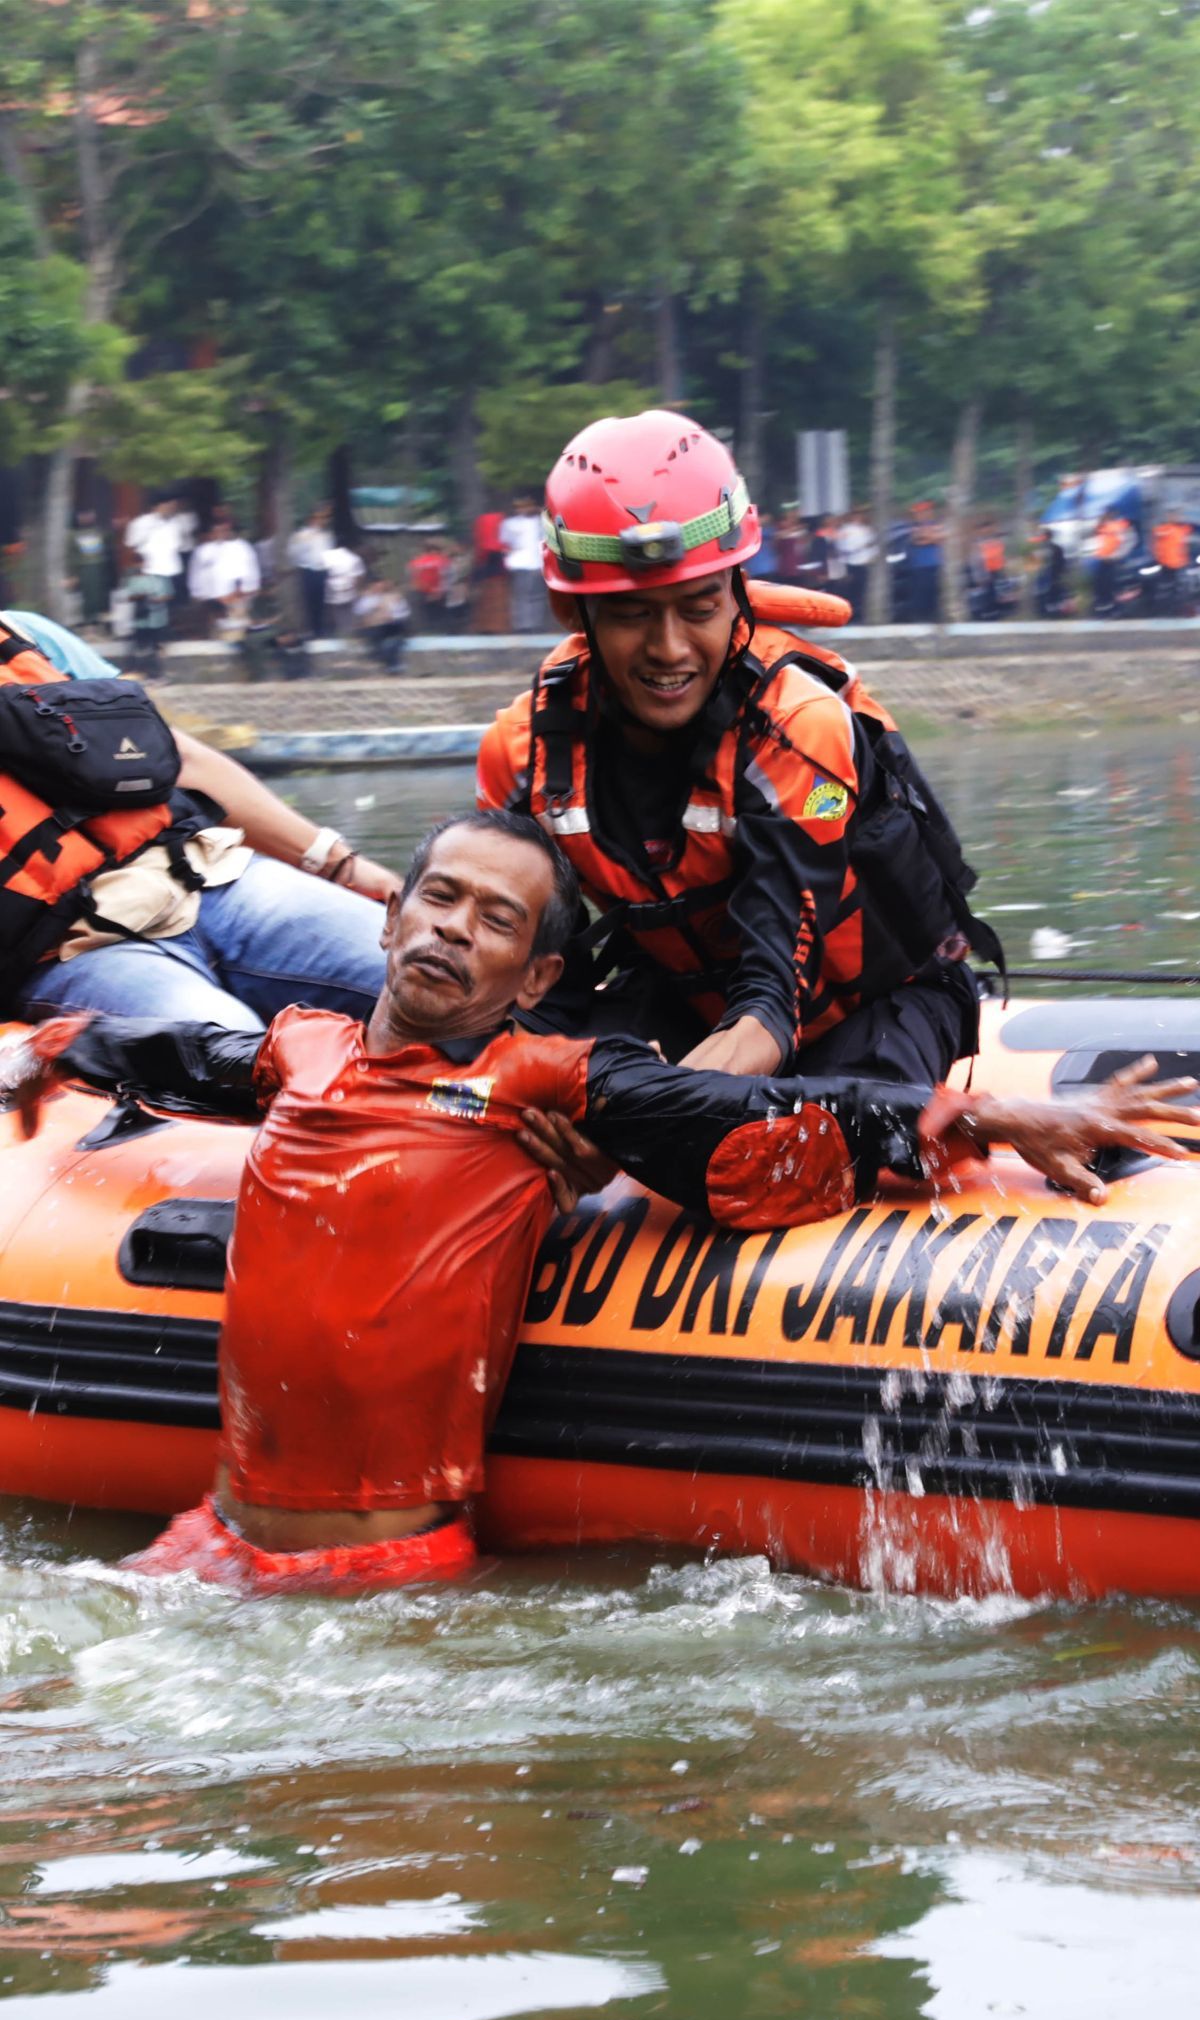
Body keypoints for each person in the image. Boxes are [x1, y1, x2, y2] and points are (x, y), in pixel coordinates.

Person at [8, 810, 1191, 1595]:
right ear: (389, 917)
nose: (453, 929)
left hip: (379, 1581)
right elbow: (171, 1059)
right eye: (440, 897)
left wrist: (988, 1118)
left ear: (533, 982)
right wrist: (54, 1048)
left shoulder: (547, 1081)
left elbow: (776, 1112)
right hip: (210, 1543)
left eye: (497, 922)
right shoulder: (300, 1051)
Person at [477, 409, 999, 1091]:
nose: (669, 648)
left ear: (735, 595)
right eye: (634, 613)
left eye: (698, 607)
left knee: (798, 1158)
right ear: (574, 613)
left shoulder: (799, 728)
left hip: (870, 1005)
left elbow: (771, 1000)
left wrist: (642, 1110)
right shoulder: (520, 756)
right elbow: (542, 989)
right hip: (689, 1002)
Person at [0, 612, 397, 1032]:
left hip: (209, 876)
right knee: (235, 1047)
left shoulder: (22, 635)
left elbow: (180, 760)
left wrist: (342, 865)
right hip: (76, 951)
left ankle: (457, 1099)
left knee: (450, 979)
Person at [187, 512, 262, 635]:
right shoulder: (203, 550)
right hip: (210, 595)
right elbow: (195, 572)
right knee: (216, 626)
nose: (221, 533)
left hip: (236, 594)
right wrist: (196, 592)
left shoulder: (242, 547)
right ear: (212, 532)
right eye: (217, 530)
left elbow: (250, 570)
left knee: (236, 626)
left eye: (224, 530)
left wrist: (244, 590)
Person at [500, 496, 549, 632]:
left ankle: (535, 623)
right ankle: (521, 624)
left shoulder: (541, 522)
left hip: (538, 563)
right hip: (519, 562)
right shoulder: (510, 523)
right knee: (520, 595)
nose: (524, 509)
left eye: (527, 506)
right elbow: (506, 542)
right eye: (520, 507)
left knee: (537, 594)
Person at [287, 505, 334, 639]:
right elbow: (293, 552)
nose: (321, 521)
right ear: (312, 519)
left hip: (322, 571)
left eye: (324, 518)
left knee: (321, 600)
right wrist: (302, 564)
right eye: (319, 518)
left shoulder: (326, 535)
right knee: (309, 600)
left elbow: (329, 552)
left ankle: (320, 628)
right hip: (308, 570)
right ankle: (311, 628)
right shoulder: (301, 535)